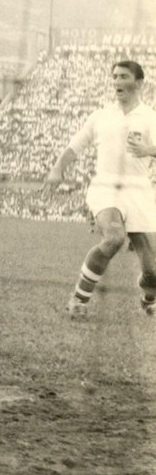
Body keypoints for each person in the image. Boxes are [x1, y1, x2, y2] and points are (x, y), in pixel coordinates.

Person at [44, 60, 156, 317]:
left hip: (140, 191)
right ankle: (78, 300)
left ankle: (149, 297)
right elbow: (74, 147)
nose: (117, 81)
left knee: (152, 271)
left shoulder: (150, 117)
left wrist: (148, 150)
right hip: (105, 186)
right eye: (114, 76)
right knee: (114, 237)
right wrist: (57, 170)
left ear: (138, 83)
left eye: (124, 76)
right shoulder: (101, 116)